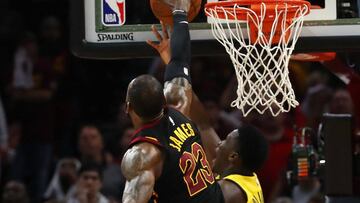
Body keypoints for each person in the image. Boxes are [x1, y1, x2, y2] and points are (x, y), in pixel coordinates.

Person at [147, 11, 268, 203]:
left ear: (233, 157)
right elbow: (203, 125)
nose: (219, 143)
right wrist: (173, 66)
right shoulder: (240, 180)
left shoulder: (232, 192)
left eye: (225, 141)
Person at [120, 0, 224, 202]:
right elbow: (179, 59)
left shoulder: (142, 155)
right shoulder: (179, 102)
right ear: (163, 99)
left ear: (128, 108)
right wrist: (180, 12)